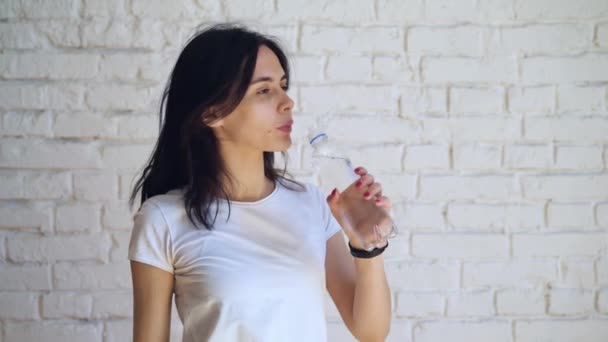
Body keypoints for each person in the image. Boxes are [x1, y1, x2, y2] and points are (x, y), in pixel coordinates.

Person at [127, 23, 392, 342]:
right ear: (212, 113)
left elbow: (372, 332)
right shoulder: (163, 219)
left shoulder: (311, 203)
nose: (287, 102)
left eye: (283, 85)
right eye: (264, 90)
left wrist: (366, 248)